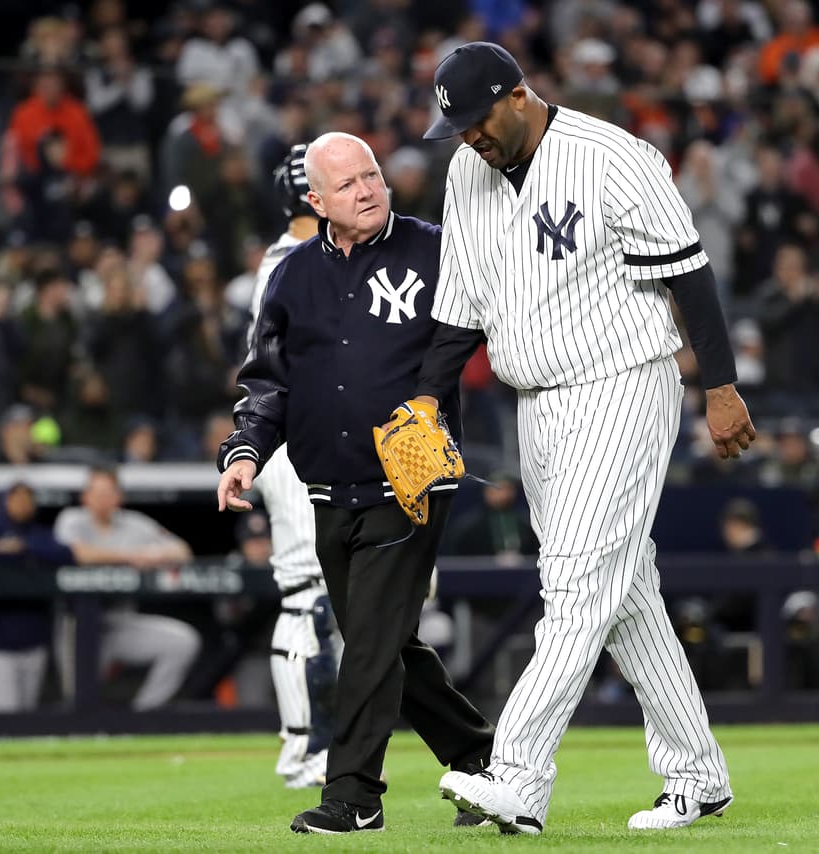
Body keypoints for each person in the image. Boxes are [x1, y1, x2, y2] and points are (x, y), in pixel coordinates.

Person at [418, 43, 754, 833]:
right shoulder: (467, 170)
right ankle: (698, 775)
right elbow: (458, 305)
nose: (471, 137)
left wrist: (720, 385)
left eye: (479, 120)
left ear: (518, 95)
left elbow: (689, 272)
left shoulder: (612, 156)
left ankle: (517, 776)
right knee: (623, 595)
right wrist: (426, 402)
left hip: (621, 385)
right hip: (536, 404)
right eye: (458, 127)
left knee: (573, 585)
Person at [214, 132, 494, 834]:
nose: (367, 190)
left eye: (372, 175)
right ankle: (483, 760)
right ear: (316, 201)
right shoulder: (292, 275)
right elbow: (269, 380)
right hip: (328, 487)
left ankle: (354, 795)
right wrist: (245, 452)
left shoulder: (435, 249)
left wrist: (432, 402)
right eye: (347, 184)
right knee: (385, 639)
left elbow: (470, 332)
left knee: (368, 640)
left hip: (410, 480)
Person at [252, 143, 341, 790]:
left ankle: (308, 743)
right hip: (292, 442)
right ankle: (305, 747)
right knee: (308, 594)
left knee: (317, 595)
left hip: (302, 439)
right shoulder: (291, 262)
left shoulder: (297, 256)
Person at [54, 466, 201, 710]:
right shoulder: (72, 519)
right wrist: (129, 557)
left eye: (109, 493)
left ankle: (143, 714)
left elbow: (182, 551)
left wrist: (154, 555)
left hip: (121, 623)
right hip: (79, 625)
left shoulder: (135, 523)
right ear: (85, 497)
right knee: (77, 699)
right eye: (97, 493)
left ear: (119, 497)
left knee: (182, 642)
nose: (103, 499)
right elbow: (76, 553)